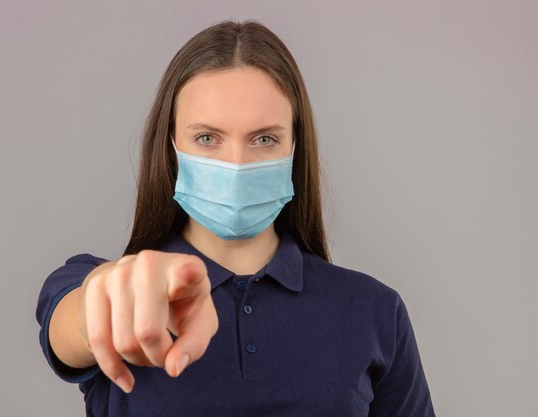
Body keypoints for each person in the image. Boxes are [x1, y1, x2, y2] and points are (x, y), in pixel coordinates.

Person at [35, 19, 436, 417]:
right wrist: (108, 299)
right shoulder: (112, 287)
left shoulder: (373, 310)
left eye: (264, 139)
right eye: (207, 138)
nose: (237, 165)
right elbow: (77, 323)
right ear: (171, 147)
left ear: (295, 147)